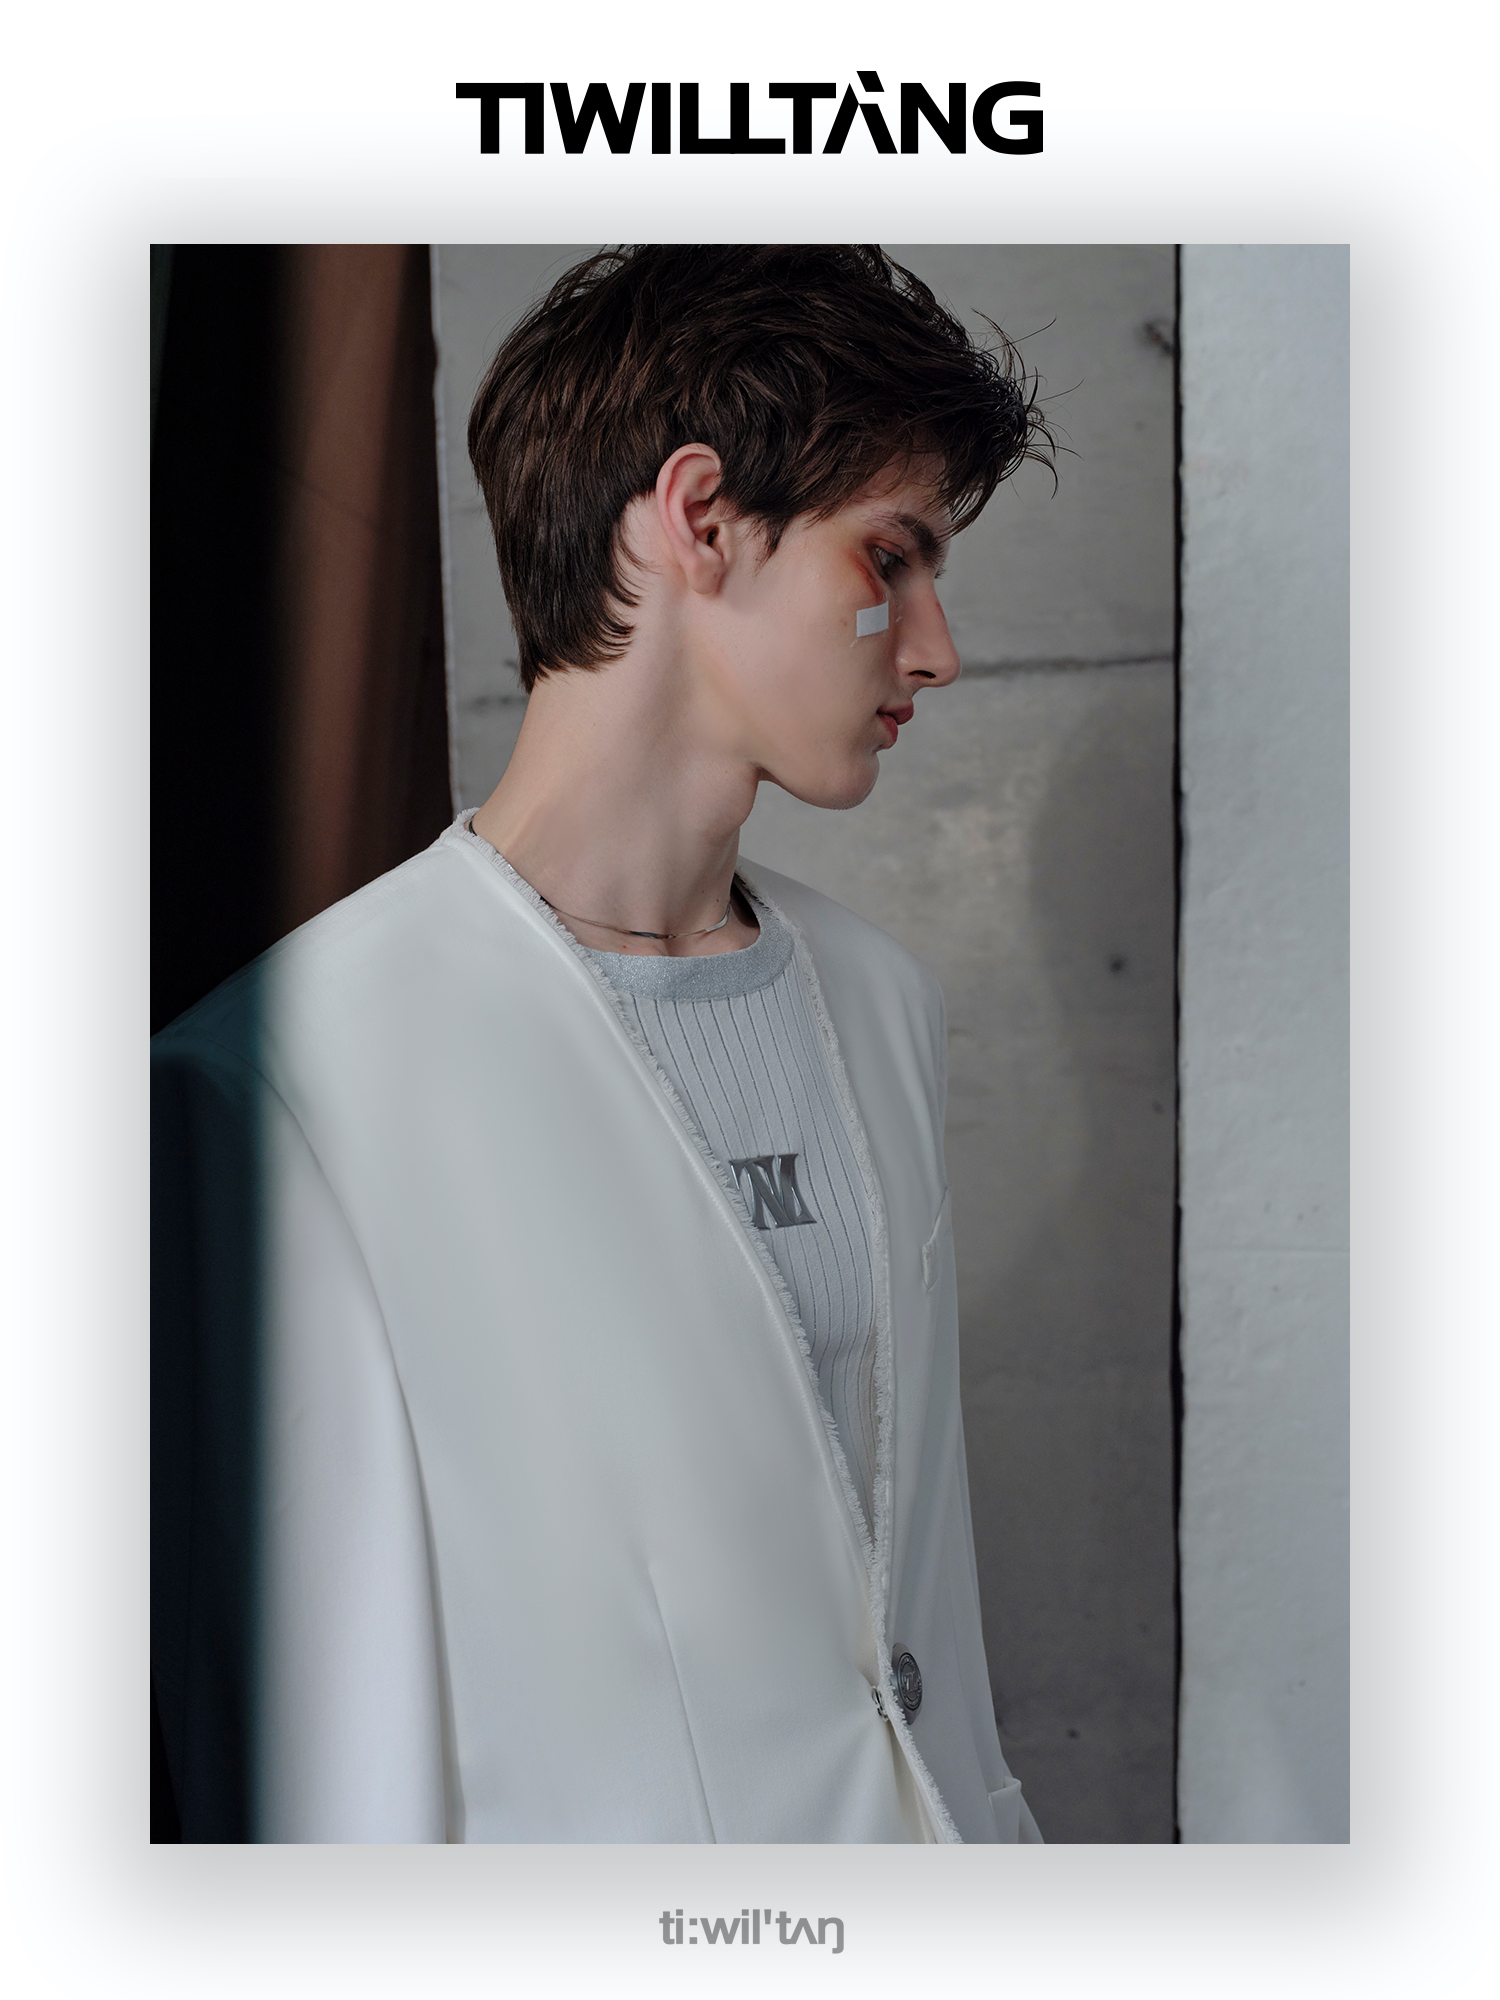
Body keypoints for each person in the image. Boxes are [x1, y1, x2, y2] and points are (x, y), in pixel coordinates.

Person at [151, 244, 1053, 1842]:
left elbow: (912, 1627)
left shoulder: (879, 1002)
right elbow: (325, 1762)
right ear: (699, 516)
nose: (935, 646)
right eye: (890, 557)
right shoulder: (289, 1085)